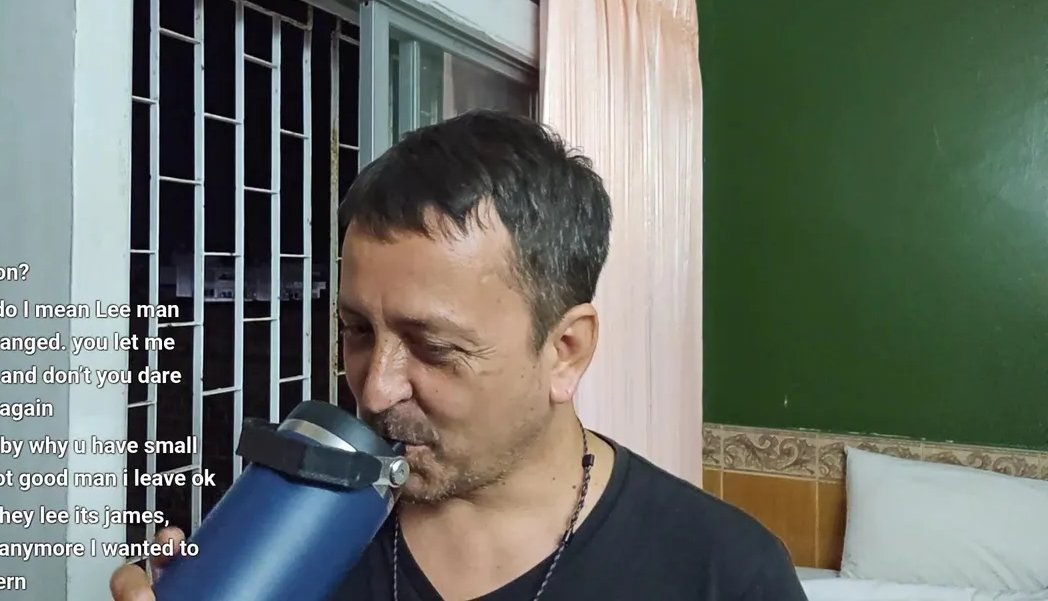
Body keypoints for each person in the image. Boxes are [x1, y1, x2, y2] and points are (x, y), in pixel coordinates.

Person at [111, 111, 808, 601]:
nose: (375, 391)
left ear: (565, 351)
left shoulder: (724, 576)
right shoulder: (290, 538)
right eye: (357, 330)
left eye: (433, 347)